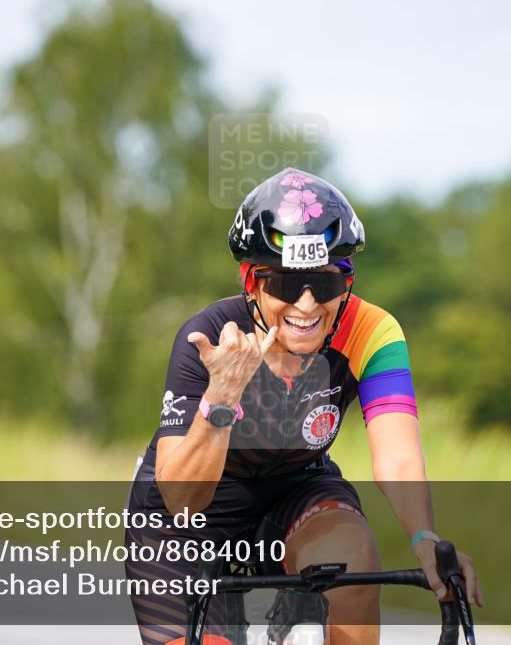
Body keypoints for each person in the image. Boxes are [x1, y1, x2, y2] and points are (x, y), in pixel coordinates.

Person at [125, 168, 482, 645]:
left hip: (296, 492)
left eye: (327, 283)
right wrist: (222, 395)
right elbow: (181, 499)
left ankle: (303, 611)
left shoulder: (372, 332)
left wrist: (424, 539)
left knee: (353, 553)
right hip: (187, 520)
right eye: (288, 285)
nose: (309, 305)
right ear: (251, 281)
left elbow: (397, 455)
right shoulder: (209, 336)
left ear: (347, 283)